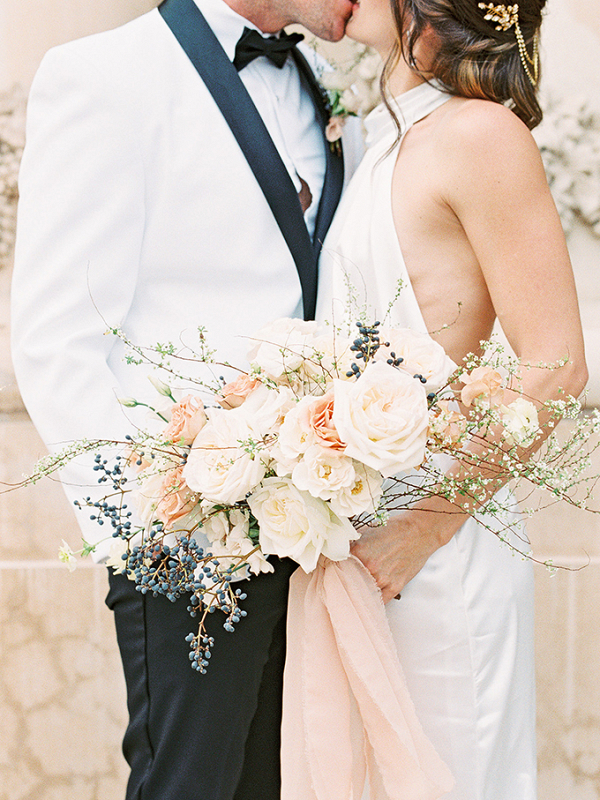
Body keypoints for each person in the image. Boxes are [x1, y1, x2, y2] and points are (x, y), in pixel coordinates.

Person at [10, 1, 361, 798]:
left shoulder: (328, 83)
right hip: (185, 538)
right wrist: (153, 542)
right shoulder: (103, 77)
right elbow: (55, 339)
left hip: (315, 530)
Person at [316, 0, 587, 798]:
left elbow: (558, 365)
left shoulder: (480, 134)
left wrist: (418, 533)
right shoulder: (385, 140)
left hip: (438, 546)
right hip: (362, 537)